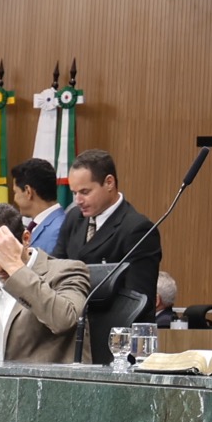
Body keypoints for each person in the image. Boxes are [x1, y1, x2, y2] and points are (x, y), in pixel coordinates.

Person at [54, 150, 161, 360]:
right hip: (71, 338)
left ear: (109, 183)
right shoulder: (73, 218)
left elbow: (138, 301)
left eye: (85, 192)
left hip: (114, 346)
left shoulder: (137, 229)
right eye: (74, 193)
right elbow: (56, 269)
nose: (78, 200)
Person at [0, 206, 92, 364]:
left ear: (26, 239)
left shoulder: (69, 271)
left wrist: (15, 268)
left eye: (3, 255)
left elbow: (64, 321)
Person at [6, 158, 70, 256]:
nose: (14, 199)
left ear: (28, 191)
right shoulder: (56, 224)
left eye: (15, 192)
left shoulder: (58, 230)